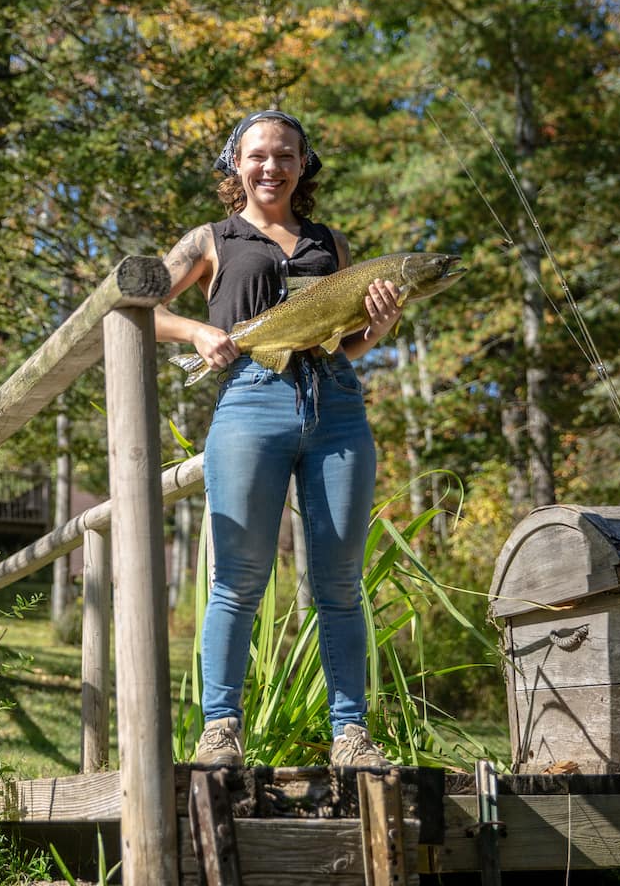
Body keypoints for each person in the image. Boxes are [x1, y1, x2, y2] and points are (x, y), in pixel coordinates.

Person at [154, 109, 407, 769]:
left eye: (286, 155)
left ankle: (351, 736)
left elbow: (347, 341)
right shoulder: (211, 239)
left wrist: (377, 328)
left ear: (303, 165)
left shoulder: (332, 243)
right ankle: (221, 731)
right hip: (248, 405)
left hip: (339, 408)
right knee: (237, 579)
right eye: (258, 155)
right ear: (236, 164)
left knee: (341, 584)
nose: (272, 166)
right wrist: (197, 332)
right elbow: (138, 305)